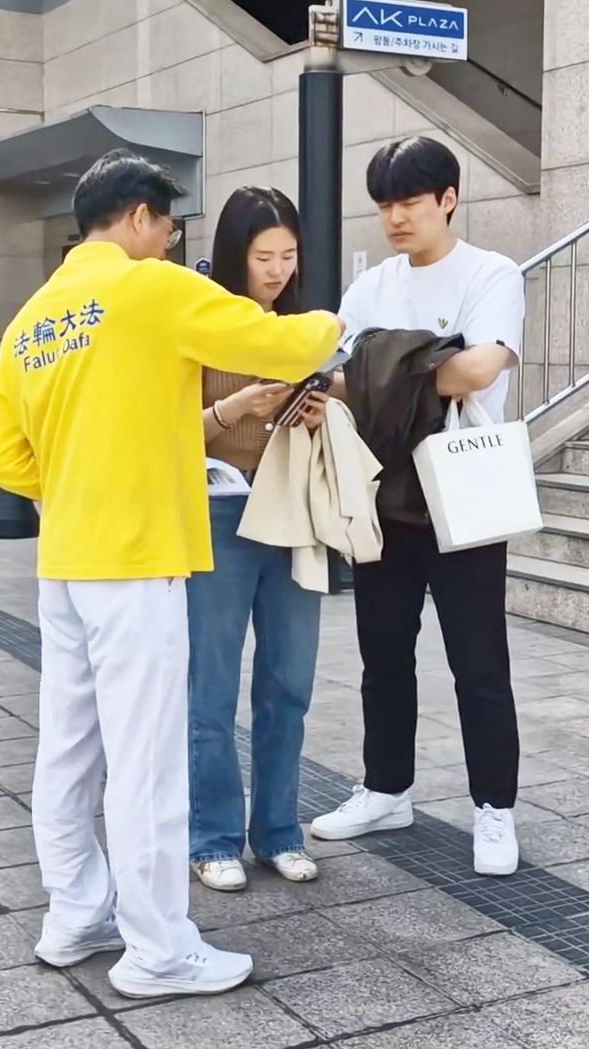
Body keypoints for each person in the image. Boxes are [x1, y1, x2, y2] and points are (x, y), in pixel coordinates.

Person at [0, 150, 342, 999]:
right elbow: (280, 339)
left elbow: (6, 459)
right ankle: (158, 948)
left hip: (67, 560)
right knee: (145, 759)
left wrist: (84, 482)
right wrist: (338, 322)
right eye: (170, 228)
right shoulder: (148, 287)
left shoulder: (35, 316)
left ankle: (75, 913)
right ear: (141, 217)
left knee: (69, 749)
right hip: (138, 557)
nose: (172, 243)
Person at [312, 137, 524, 877]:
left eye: (410, 201)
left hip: (462, 494)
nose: (396, 218)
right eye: (385, 205)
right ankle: (385, 789)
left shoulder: (491, 273)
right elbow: (334, 375)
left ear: (448, 199)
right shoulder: (371, 286)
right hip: (382, 492)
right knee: (382, 658)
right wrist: (427, 358)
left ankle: (494, 808)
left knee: (479, 663)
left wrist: (383, 364)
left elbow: (479, 368)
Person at [189, 187, 328, 894]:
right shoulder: (198, 326)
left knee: (288, 684)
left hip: (292, 511)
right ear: (234, 255)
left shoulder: (299, 329)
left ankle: (278, 831)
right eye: (262, 256)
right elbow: (168, 431)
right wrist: (233, 406)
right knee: (209, 687)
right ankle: (212, 837)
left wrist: (318, 411)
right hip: (218, 510)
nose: (277, 270)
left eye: (288, 256)